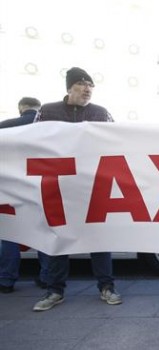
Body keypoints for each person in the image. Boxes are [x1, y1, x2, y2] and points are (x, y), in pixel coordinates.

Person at [31, 67, 122, 311]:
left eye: (91, 85)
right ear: (69, 87)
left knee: (98, 237)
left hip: (93, 185)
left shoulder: (100, 113)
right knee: (59, 238)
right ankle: (54, 291)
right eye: (82, 83)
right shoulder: (48, 111)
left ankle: (107, 286)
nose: (87, 89)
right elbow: (33, 142)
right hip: (58, 186)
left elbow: (116, 142)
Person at [0, 97, 50, 293]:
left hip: (11, 189)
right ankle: (47, 277)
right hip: (39, 188)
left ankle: (6, 280)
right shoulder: (49, 129)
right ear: (39, 108)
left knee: (11, 234)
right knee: (43, 233)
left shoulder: (5, 127)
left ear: (21, 108)